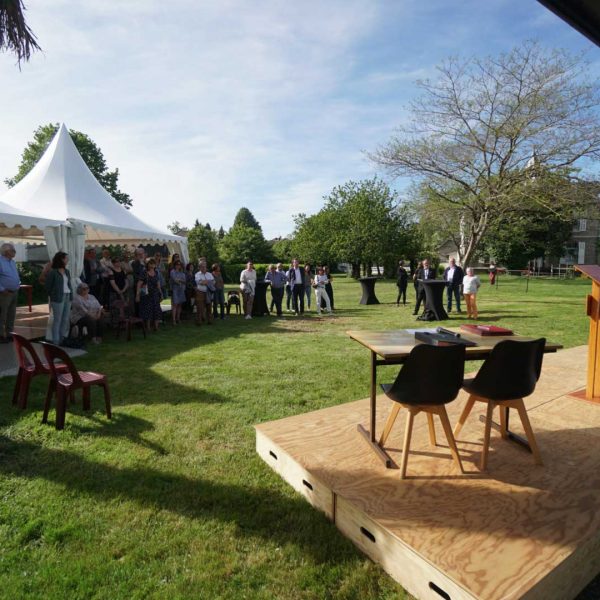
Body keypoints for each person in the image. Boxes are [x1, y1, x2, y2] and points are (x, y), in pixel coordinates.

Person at [45, 251, 73, 345]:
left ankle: (62, 339)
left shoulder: (67, 271)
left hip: (67, 296)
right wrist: (53, 294)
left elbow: (69, 284)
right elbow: (48, 286)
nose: (68, 260)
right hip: (57, 297)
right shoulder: (53, 272)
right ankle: (55, 341)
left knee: (65, 319)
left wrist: (71, 295)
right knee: (57, 319)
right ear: (61, 259)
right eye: (66, 258)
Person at [0, 243, 20, 343]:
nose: (15, 251)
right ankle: (0, 335)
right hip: (4, 293)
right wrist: (2, 289)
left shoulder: (12, 262)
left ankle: (9, 334)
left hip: (14, 292)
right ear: (6, 251)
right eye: (13, 250)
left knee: (11, 315)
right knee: (2, 315)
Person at [136, 257, 163, 331]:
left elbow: (158, 284)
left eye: (153, 263)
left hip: (155, 294)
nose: (152, 265)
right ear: (147, 264)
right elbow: (139, 284)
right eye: (150, 263)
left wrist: (160, 293)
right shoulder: (144, 272)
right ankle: (148, 327)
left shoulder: (156, 272)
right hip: (147, 295)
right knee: (148, 311)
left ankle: (156, 327)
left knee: (157, 310)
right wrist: (137, 295)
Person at [170, 260, 186, 324]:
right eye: (177, 264)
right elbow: (175, 280)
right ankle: (173, 320)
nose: (178, 265)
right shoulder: (172, 271)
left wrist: (179, 280)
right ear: (174, 265)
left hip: (181, 289)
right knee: (175, 305)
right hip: (175, 290)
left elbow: (185, 281)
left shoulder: (182, 273)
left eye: (179, 264)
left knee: (180, 305)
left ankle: (178, 318)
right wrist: (180, 280)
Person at [131, 248, 146, 316]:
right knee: (138, 302)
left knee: (145, 302)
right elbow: (138, 274)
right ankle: (139, 318)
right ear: (136, 255)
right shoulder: (134, 263)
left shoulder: (146, 262)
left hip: (146, 286)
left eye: (142, 254)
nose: (141, 255)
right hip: (138, 286)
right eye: (139, 254)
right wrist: (141, 263)